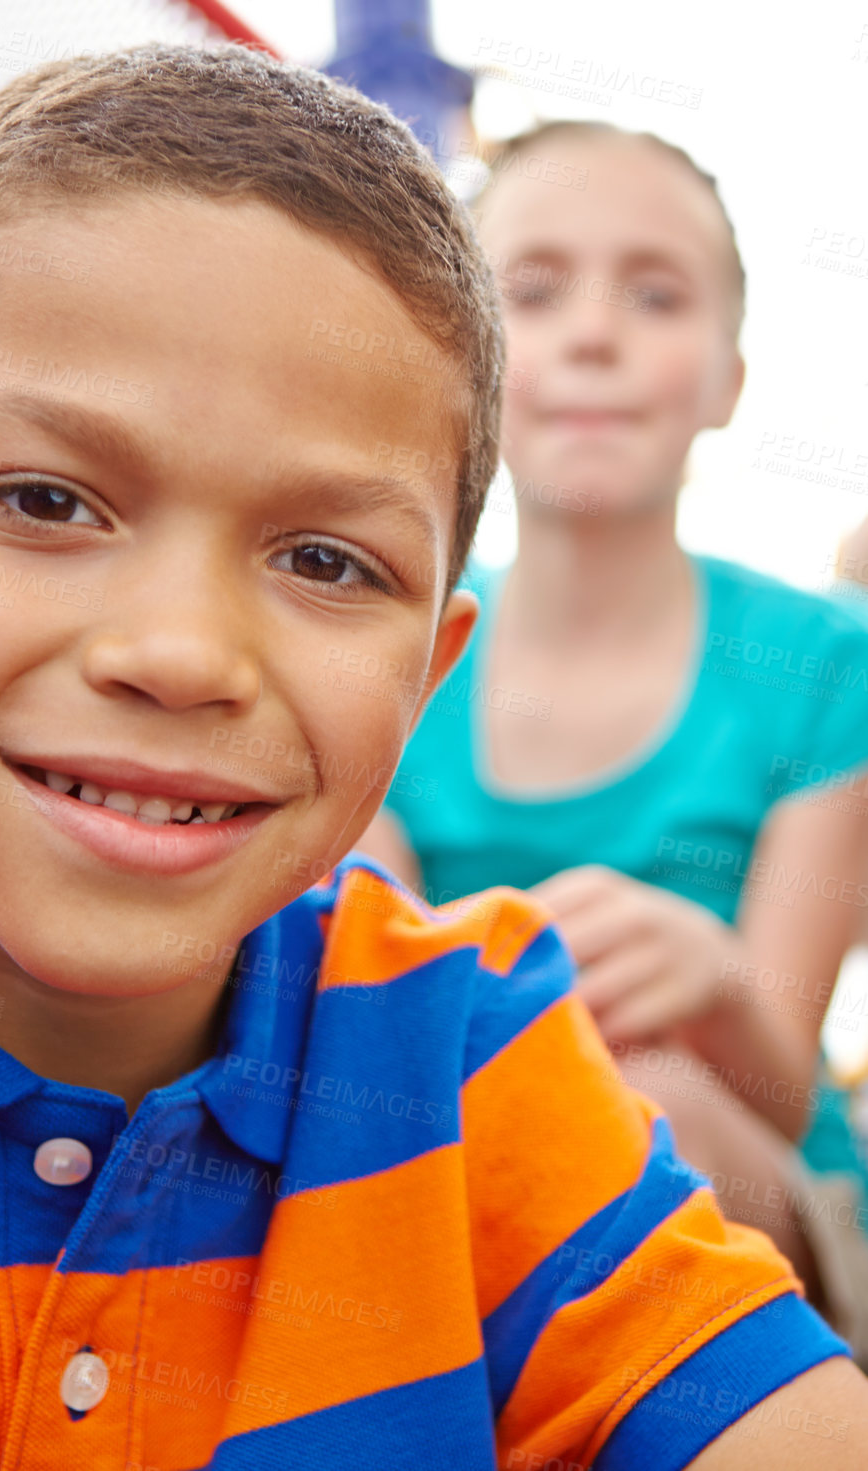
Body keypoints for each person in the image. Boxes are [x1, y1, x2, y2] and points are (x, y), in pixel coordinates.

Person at [0, 48, 866, 1471]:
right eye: (44, 498)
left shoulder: (465, 1061)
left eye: (325, 558)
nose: (180, 650)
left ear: (423, 676)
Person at [364, 119, 868, 1356]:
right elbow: (361, 1010)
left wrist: (708, 980)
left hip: (755, 1191)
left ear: (724, 376)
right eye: (531, 291)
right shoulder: (381, 644)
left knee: (645, 1104)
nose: (592, 332)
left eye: (654, 293)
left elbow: (781, 1086)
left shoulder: (824, 664)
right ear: (463, 357)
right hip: (448, 1152)